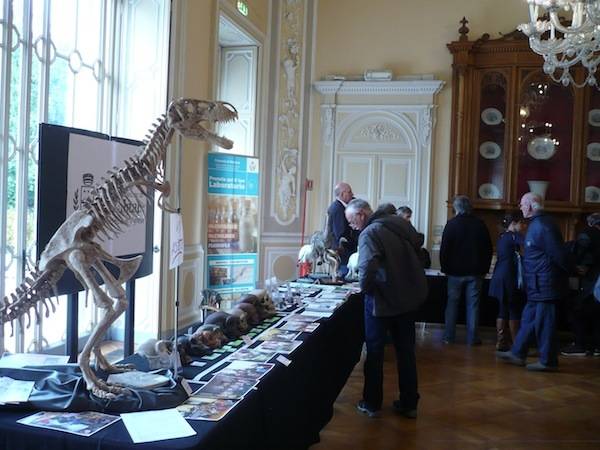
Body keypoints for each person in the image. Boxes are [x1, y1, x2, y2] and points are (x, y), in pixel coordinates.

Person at [345, 198, 427, 419]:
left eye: (352, 221)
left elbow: (367, 266)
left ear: (362, 214)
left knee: (374, 353)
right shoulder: (401, 225)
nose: (352, 227)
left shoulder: (370, 233)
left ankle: (371, 402)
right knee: (406, 353)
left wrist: (366, 289)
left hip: (381, 301)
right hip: (407, 299)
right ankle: (409, 403)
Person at [497, 192, 568, 371]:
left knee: (545, 323)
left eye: (522, 204)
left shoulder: (543, 225)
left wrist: (572, 271)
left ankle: (548, 361)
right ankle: (518, 353)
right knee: (528, 319)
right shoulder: (538, 224)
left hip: (545, 284)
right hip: (538, 284)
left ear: (529, 206)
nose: (520, 208)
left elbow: (558, 254)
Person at [440, 195, 493, 345]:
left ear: (456, 208)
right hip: (476, 272)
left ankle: (448, 337)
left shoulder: (451, 224)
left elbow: (445, 249)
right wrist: (485, 268)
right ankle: (472, 338)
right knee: (473, 306)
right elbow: (487, 249)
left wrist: (445, 268)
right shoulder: (480, 224)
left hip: (454, 272)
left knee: (452, 304)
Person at [561, 212, 600, 356]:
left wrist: (577, 266)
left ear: (590, 223)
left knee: (577, 309)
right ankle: (597, 346)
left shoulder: (588, 233)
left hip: (590, 280)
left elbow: (580, 253)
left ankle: (580, 344)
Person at [488, 211, 525, 351]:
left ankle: (501, 342)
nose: (523, 225)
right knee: (514, 309)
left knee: (503, 309)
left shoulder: (503, 237)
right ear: (513, 224)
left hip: (500, 276)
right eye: (521, 223)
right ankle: (517, 344)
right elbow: (528, 245)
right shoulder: (514, 236)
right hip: (509, 277)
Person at [326, 182, 358, 277]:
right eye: (349, 192)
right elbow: (341, 234)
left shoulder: (340, 207)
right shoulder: (338, 209)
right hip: (344, 253)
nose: (352, 194)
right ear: (342, 194)